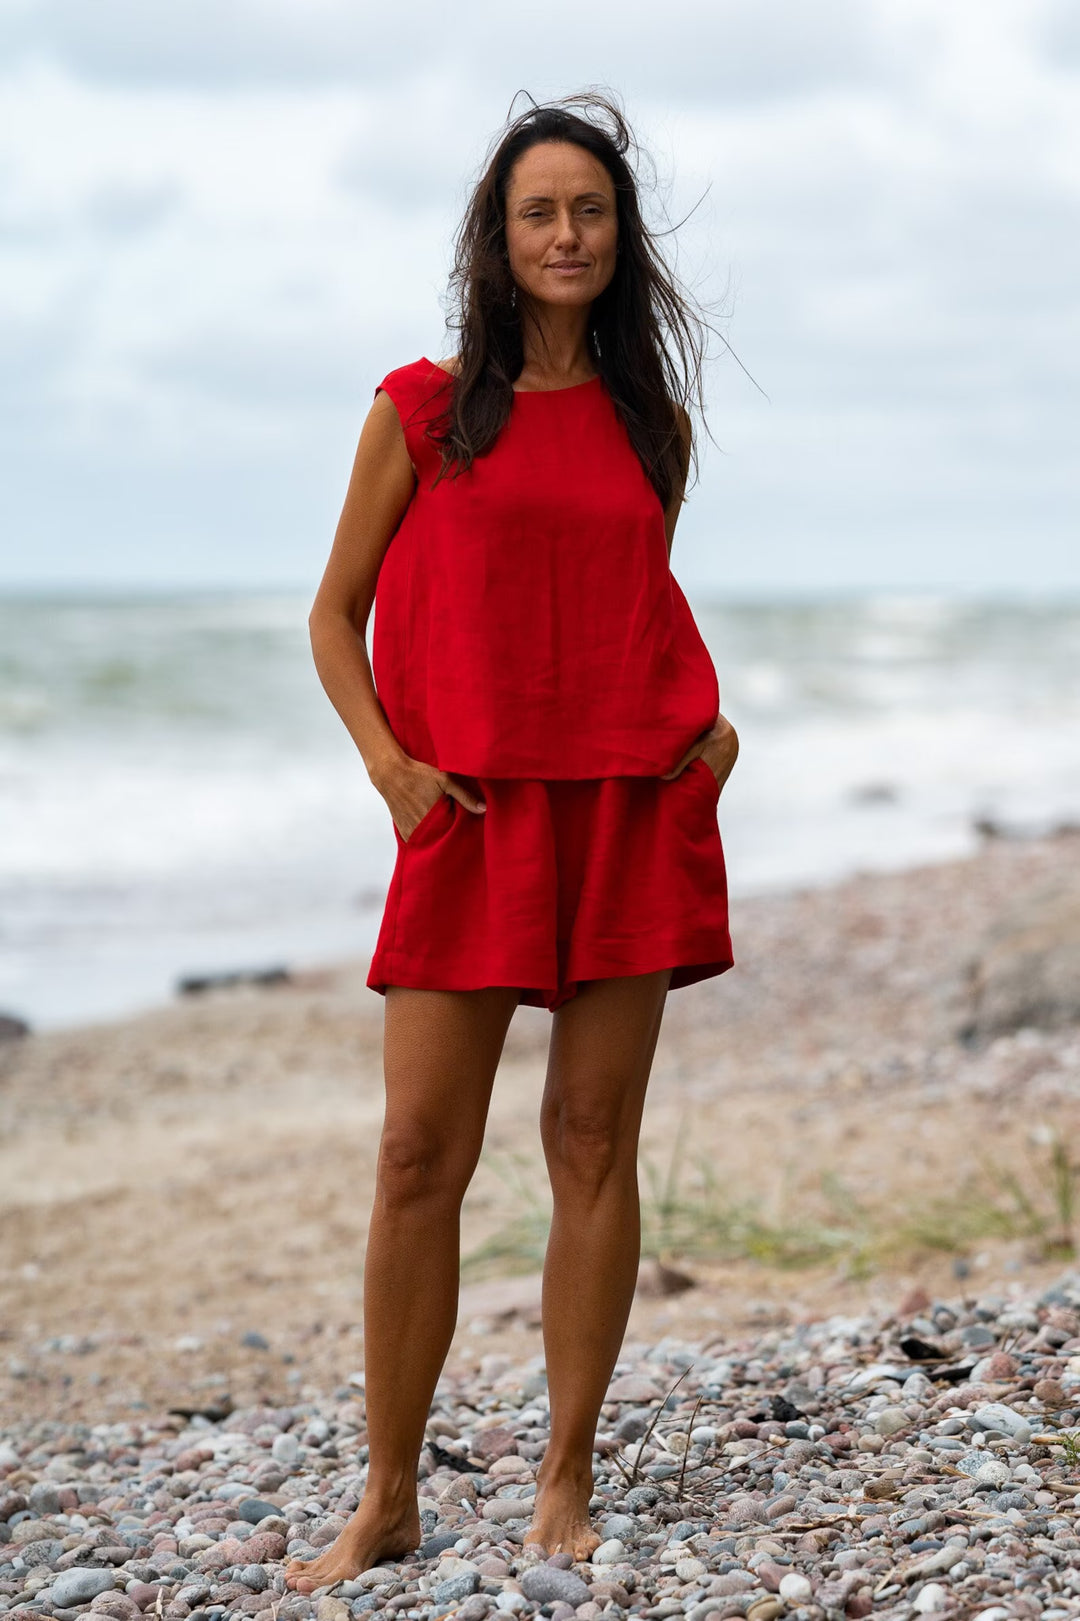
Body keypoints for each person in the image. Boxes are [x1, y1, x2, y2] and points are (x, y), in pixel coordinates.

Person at [285, 91, 740, 1591]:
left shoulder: (646, 423)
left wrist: (710, 735)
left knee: (593, 1145)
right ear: (498, 235)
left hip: (623, 808)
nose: (566, 234)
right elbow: (332, 616)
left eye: (591, 211)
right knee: (421, 1153)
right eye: (540, 211)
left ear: (621, 240)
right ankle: (392, 1492)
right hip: (470, 817)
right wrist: (391, 768)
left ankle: (564, 1474)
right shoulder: (419, 409)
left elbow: (626, 606)